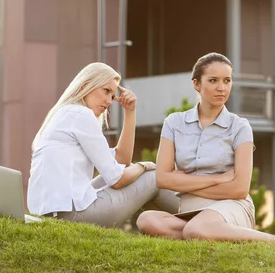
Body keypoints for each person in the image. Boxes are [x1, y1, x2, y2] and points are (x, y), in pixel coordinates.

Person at [137, 53, 275, 244]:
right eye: (213, 80)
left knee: (196, 228)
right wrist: (218, 179)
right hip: (191, 208)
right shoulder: (174, 123)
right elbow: (163, 179)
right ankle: (210, 233)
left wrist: (183, 181)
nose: (221, 88)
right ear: (196, 84)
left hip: (231, 206)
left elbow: (239, 189)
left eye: (227, 80)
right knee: (147, 220)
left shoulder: (240, 127)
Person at [27, 62, 178, 226]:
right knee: (154, 177)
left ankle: (182, 227)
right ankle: (199, 218)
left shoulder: (64, 114)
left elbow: (121, 161)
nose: (109, 101)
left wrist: (130, 111)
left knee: (137, 174)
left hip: (53, 213)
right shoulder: (81, 114)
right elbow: (117, 179)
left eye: (112, 96)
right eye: (106, 91)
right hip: (72, 215)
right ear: (86, 85)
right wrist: (145, 166)